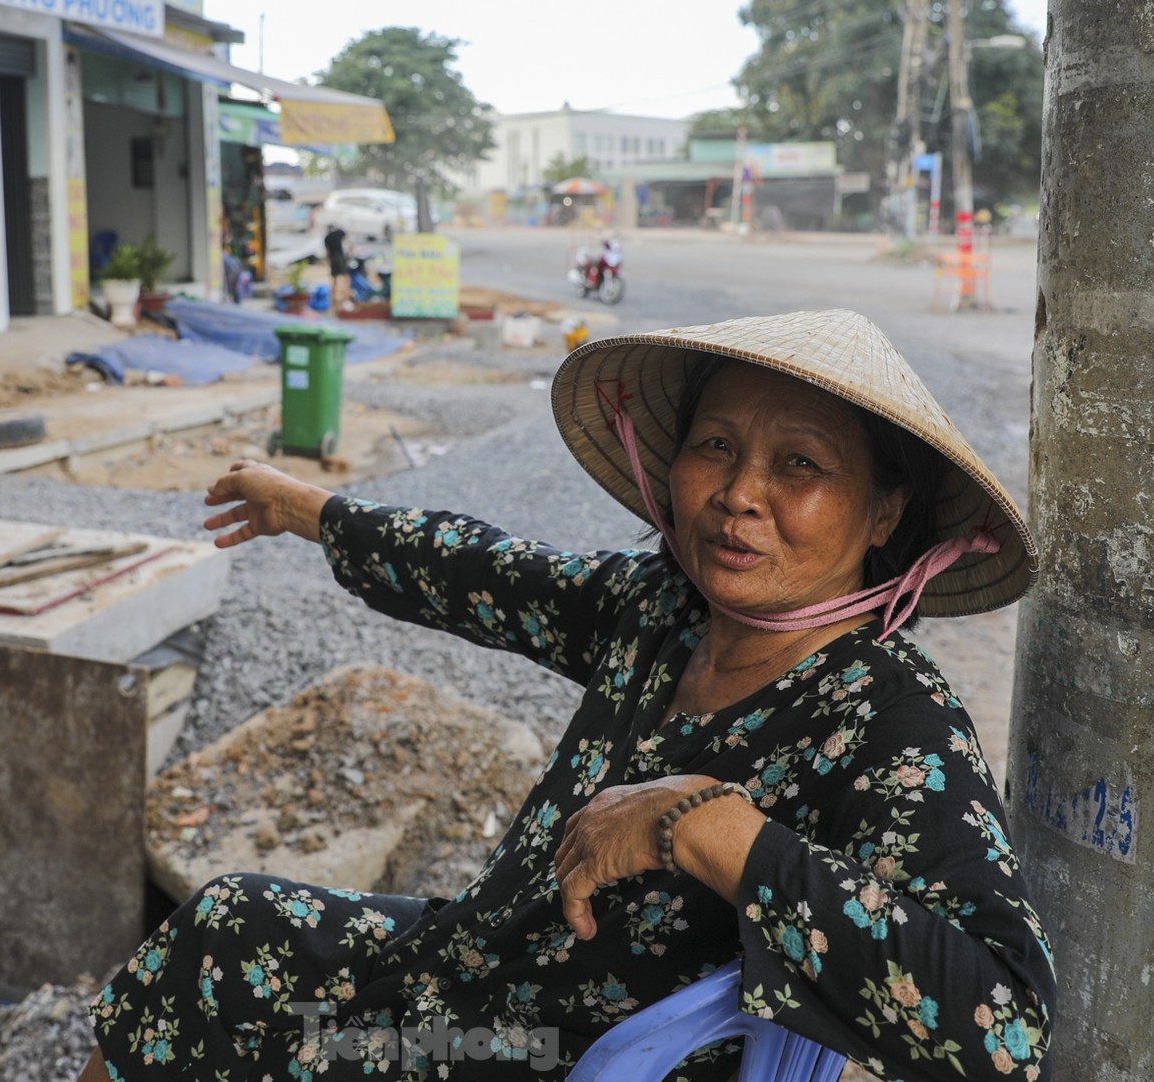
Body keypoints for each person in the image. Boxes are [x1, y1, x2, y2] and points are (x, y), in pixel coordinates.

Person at [80, 310, 1055, 1081]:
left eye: (799, 464)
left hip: (556, 1048)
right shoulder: (658, 610)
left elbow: (999, 1026)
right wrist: (318, 512)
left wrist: (708, 829)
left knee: (244, 1015)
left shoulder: (887, 717)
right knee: (228, 926)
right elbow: (492, 573)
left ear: (884, 512)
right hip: (475, 961)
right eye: (715, 445)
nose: (739, 492)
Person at [324, 222, 352, 307]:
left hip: (333, 259)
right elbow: (346, 233)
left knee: (334, 279)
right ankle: (346, 298)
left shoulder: (326, 238)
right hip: (340, 257)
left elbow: (327, 252)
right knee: (346, 277)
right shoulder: (338, 233)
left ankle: (332, 298)